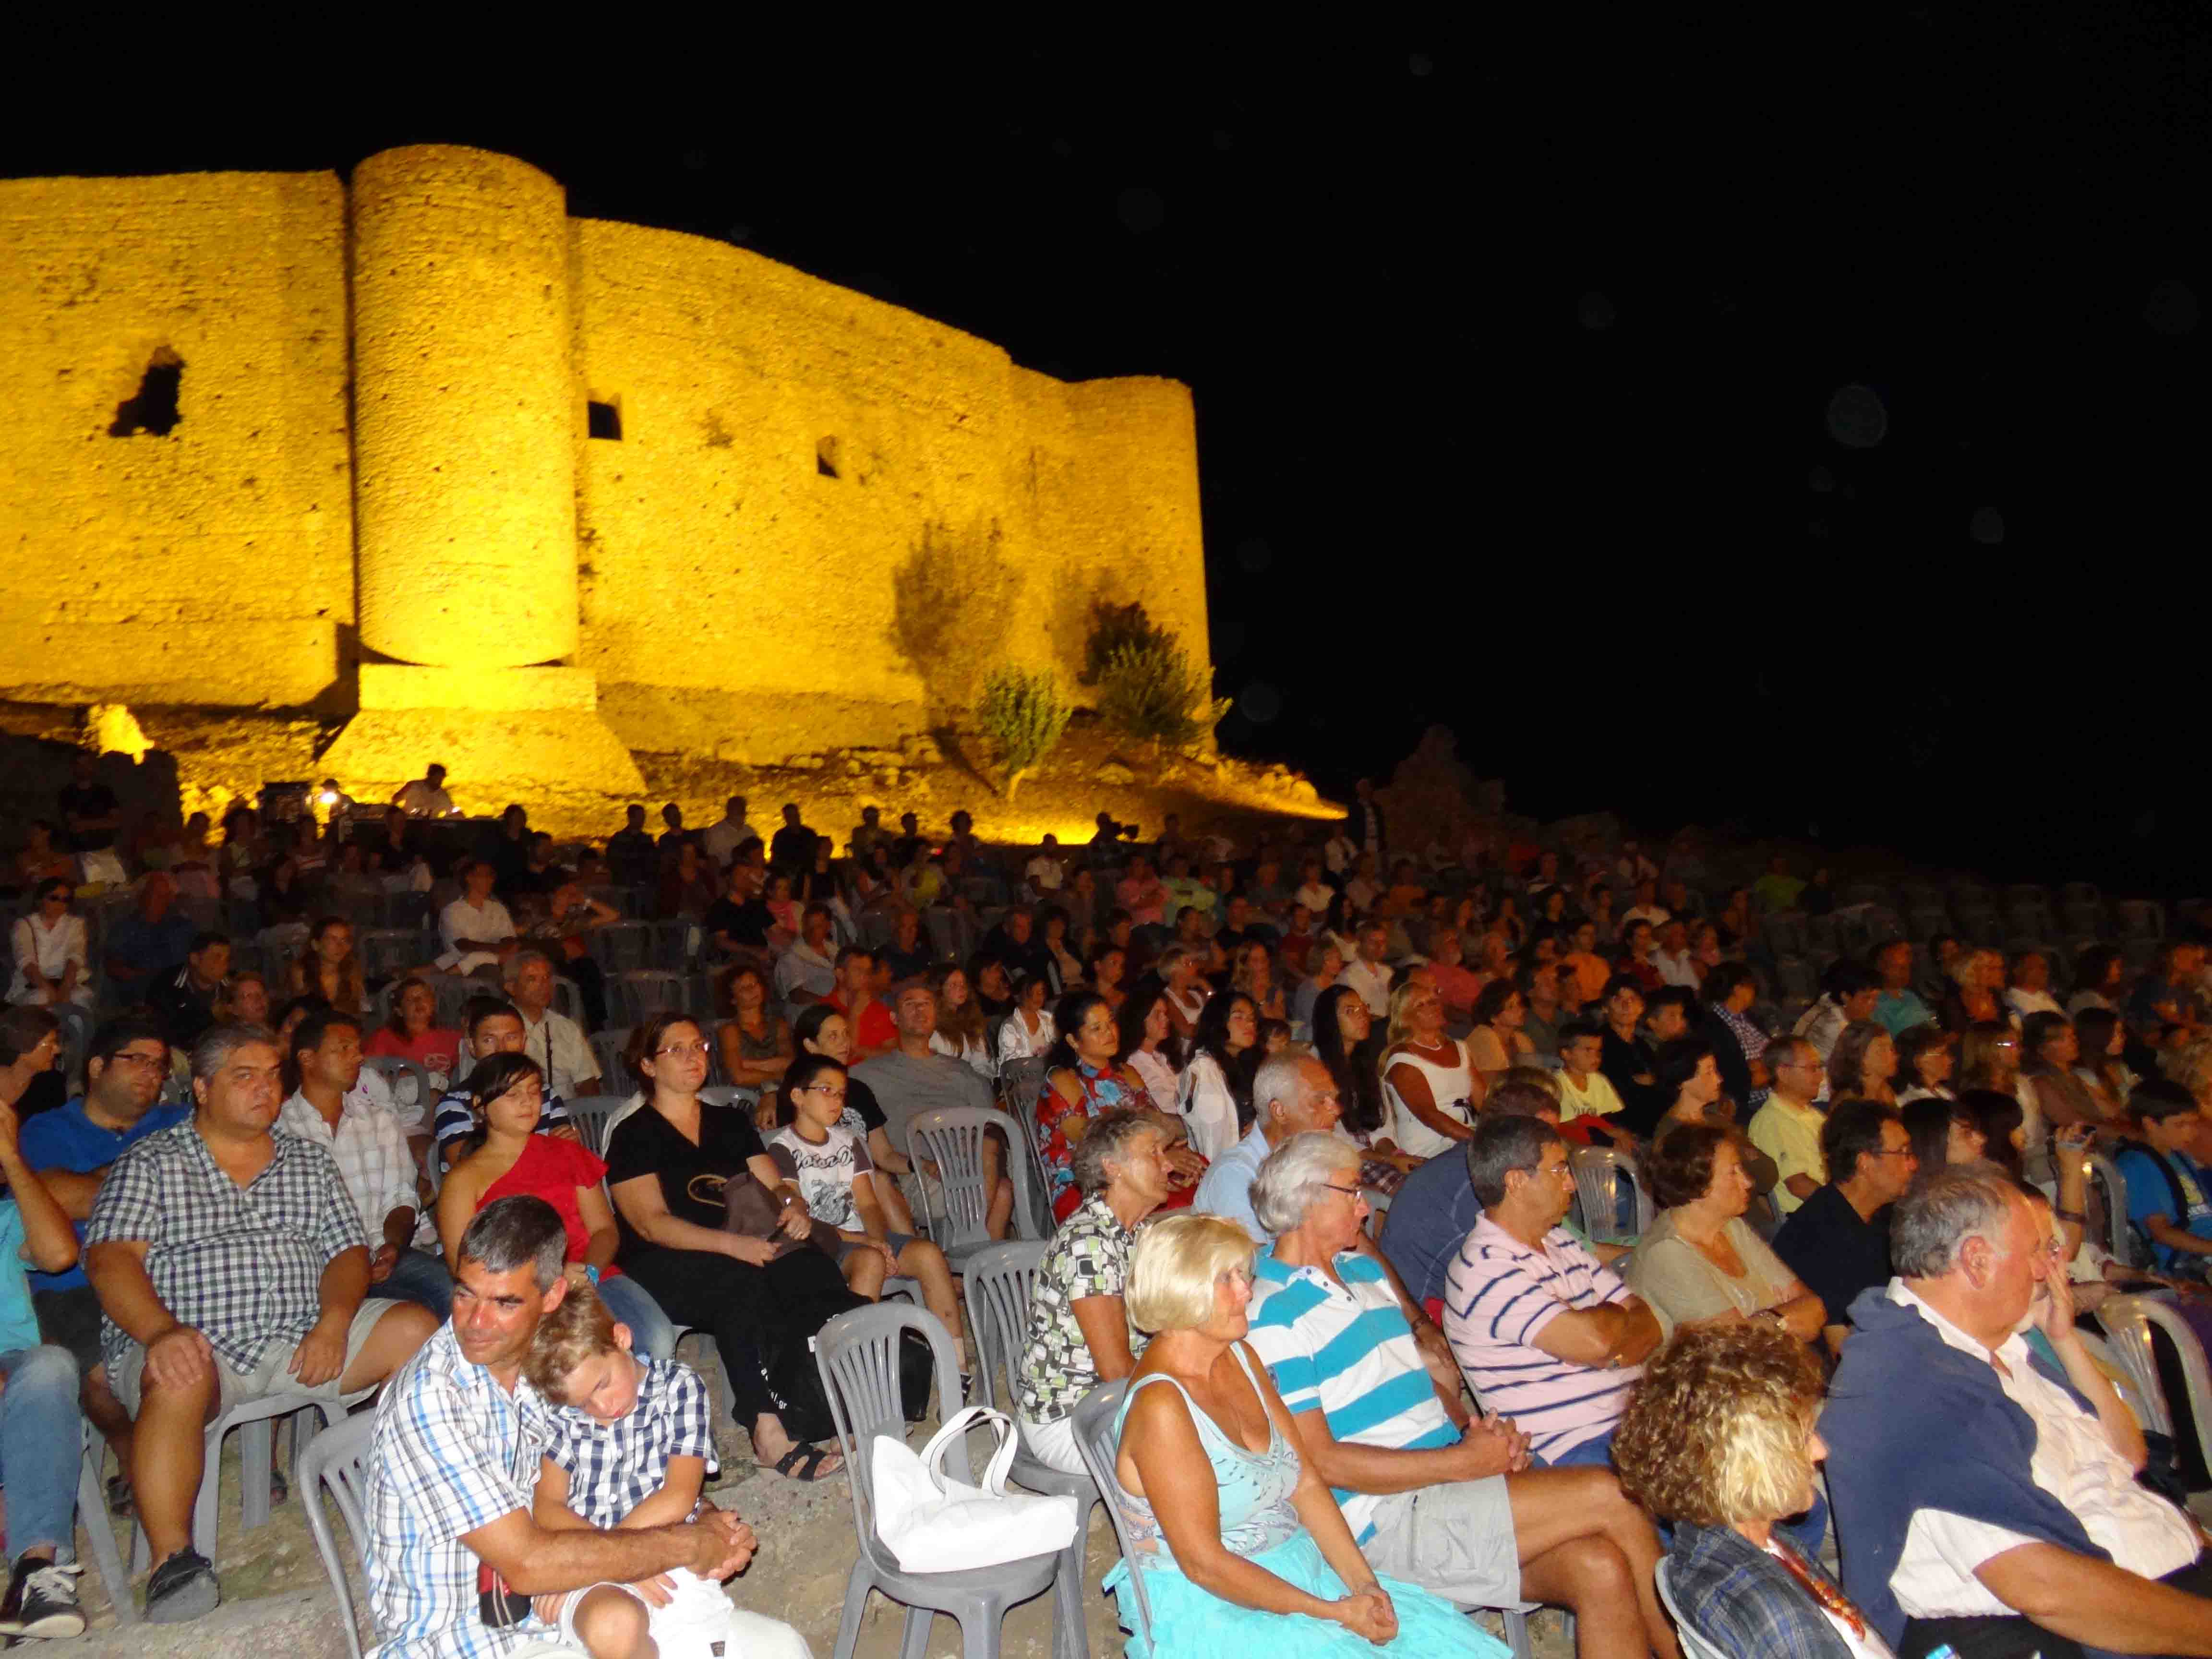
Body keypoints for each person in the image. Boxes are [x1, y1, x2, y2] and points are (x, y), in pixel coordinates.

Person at [1247, 1132, 1678, 1659]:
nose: (1365, 1208)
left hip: (1443, 1492)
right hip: (1384, 1521)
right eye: (1352, 1193)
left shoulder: (1364, 1274)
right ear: (1309, 1199)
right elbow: (1322, 1463)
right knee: (1616, 1494)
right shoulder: (1272, 1313)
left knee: (1600, 1567)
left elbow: (1419, 1390)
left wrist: (1479, 1436)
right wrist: (1461, 1465)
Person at [86, 1023, 439, 1623]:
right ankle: (174, 1564)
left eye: (273, 1076)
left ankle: (417, 1503)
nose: (265, 1089)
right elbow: (111, 1257)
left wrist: (333, 1322)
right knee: (177, 1373)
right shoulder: (152, 1161)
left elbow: (347, 1255)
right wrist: (160, 1332)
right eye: (244, 1076)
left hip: (299, 1335)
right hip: (198, 1342)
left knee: (418, 1329)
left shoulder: (307, 1162)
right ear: (201, 1088)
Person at [1822, 1164, 2212, 1658]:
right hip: (2107, 1628)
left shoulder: (1996, 1346)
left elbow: (2127, 1458)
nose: (2054, 1268)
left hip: (2164, 1580)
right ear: (1978, 1261)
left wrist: (2064, 1339)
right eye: (2038, 1251)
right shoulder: (1913, 1387)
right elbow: (2045, 1589)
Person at [366, 1197, 763, 1659]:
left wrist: (706, 1518)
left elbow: (636, 1471)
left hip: (553, 1607)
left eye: (505, 1302)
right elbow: (529, 1564)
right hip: (464, 1639)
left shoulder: (554, 1368)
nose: (476, 1323)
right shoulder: (432, 1400)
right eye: (464, 1293)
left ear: (552, 1297)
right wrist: (675, 1546)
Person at [1101, 1213, 1504, 1659]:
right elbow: (1205, 1564)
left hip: (1293, 1561)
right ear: (1179, 1291)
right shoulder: (1162, 1407)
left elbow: (1306, 1483)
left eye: (1244, 1275)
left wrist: (1364, 1584)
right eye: (1226, 1280)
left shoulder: (1240, 1356)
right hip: (1212, 1603)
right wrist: (1333, 1612)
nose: (1247, 1292)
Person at [605, 1014, 860, 1483]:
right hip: (666, 1259)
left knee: (810, 1268)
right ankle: (765, 1427)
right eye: (676, 1049)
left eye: (699, 1046)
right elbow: (651, 1223)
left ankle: (835, 1394)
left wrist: (794, 1205)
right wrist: (733, 1246)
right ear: (647, 1064)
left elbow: (775, 1184)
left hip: (745, 1238)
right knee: (740, 1283)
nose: (693, 1057)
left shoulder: (728, 1121)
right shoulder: (632, 1134)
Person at [519, 1282, 809, 1659]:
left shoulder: (678, 1389)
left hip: (661, 1559)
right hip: (592, 1576)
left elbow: (678, 1496)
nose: (601, 1407)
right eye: (583, 1402)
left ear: (621, 1338)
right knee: (612, 1623)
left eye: (603, 1385)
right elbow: (548, 1508)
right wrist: (609, 1564)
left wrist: (617, 1559)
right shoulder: (565, 1417)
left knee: (780, 1645)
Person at [1615, 1323, 1883, 1659]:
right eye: (1802, 1440)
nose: (1821, 1451)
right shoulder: (1780, 1618)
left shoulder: (1716, 1543)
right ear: (1744, 1467)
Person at [22, 1015, 183, 1508]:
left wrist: (88, 1186)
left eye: (159, 1066)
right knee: (99, 1375)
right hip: (72, 1283)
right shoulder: (46, 1128)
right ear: (96, 1067)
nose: (151, 1075)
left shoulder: (176, 1122)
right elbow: (48, 1199)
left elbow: (194, 1192)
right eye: (137, 1061)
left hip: (169, 1269)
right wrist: (143, 1181)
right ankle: (132, 1454)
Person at [1444, 1114, 1663, 1467]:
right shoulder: (1483, 1268)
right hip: (1575, 1447)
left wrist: (1613, 1353)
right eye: (1560, 1171)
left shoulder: (1560, 1241)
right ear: (1516, 1182)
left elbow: (1649, 1323)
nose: (1573, 1185)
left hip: (1634, 1421)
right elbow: (1595, 1341)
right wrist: (1613, 1318)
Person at [434, 1052, 674, 1362]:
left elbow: (604, 1230)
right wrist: (552, 1279)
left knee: (656, 1339)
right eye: (513, 1094)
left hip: (592, 1273)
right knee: (582, 1355)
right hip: (519, 1290)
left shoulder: (566, 1153)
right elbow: (462, 1264)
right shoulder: (464, 1179)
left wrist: (588, 1273)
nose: (527, 1102)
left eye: (534, 1092)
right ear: (481, 1106)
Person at [762, 1051, 967, 1375]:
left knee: (929, 1254)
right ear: (797, 1096)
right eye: (826, 1090)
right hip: (823, 1243)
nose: (836, 1100)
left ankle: (956, 1364)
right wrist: (865, 1243)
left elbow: (868, 1203)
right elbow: (801, 1217)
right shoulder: (783, 1149)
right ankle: (856, 1366)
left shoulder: (849, 1141)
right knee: (870, 1261)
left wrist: (878, 1239)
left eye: (841, 1093)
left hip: (861, 1237)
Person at [1010, 1109, 1170, 1473]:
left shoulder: (1137, 1233)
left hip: (1115, 1398)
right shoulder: (1089, 1245)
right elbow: (1115, 1368)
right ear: (1112, 1167)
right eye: (1154, 1153)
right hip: (1073, 1417)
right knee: (1196, 1441)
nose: (1168, 1166)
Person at [0, 1019, 90, 1638]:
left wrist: (10, 1157)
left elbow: (59, 1254)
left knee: (52, 1366)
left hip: (14, 1374)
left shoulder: (6, 1217)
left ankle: (36, 1574)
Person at [279, 1009, 454, 1320]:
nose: (357, 1056)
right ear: (307, 1058)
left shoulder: (378, 1119)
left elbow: (400, 1195)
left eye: (357, 1048)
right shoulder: (279, 1128)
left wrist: (392, 1246)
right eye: (343, 1048)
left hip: (379, 1253)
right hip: (312, 1268)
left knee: (452, 1291)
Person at [1626, 1123, 1825, 1342]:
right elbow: (1734, 1348)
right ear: (1698, 1186)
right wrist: (1783, 1318)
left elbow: (1815, 1308)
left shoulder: (1732, 1227)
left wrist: (1763, 1322)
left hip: (1764, 1368)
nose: (1748, 1182)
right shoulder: (1666, 1254)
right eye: (1733, 1172)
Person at [855, 980, 1016, 1233]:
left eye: (926, 1004)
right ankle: (971, 1251)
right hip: (919, 1175)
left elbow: (993, 1129)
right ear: (894, 1018)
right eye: (910, 1004)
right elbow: (820, 1083)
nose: (920, 1010)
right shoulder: (867, 1074)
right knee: (1002, 1193)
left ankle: (968, 1259)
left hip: (971, 1170)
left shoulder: (964, 1072)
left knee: (1001, 1176)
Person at [1038, 990, 1197, 1224]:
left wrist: (1176, 1143)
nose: (1109, 1032)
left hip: (1138, 1170)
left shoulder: (1126, 1074)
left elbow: (1159, 1125)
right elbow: (1092, 1149)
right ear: (1073, 1040)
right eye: (1096, 1028)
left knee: (1202, 1170)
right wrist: (1158, 1158)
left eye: (1110, 1022)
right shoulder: (1063, 1081)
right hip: (1088, 1186)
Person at [1772, 1100, 1917, 1357]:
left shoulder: (1884, 1213)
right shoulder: (1819, 1236)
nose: (1912, 1164)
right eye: (1902, 1153)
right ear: (1865, 1162)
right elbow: (1844, 1350)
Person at [1193, 1054, 1344, 1242]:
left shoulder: (1319, 1160)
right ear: (1279, 1111)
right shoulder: (1235, 1174)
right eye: (1321, 1100)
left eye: (1334, 1099)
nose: (1336, 1110)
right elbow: (1255, 1265)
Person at [1378, 979, 1479, 1158]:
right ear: (1405, 1018)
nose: (1432, 1007)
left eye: (1433, 1001)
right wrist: (1479, 1140)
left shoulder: (1460, 1048)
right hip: (1431, 1147)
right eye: (1421, 1005)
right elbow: (1430, 1115)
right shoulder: (1403, 1059)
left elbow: (1483, 1101)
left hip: (1467, 1138)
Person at [1749, 1035, 1829, 1214]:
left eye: (1819, 1068)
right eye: (1812, 1068)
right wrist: (1845, 1207)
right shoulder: (1772, 1121)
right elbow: (1799, 1185)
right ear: (1783, 1073)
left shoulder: (1813, 1115)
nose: (1820, 1076)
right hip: (1810, 1219)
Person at [1178, 991, 1258, 1163]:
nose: (1249, 1024)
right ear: (1219, 1022)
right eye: (1239, 1017)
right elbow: (1214, 1141)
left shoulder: (1247, 1063)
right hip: (1228, 1168)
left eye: (1252, 1018)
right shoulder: (1204, 1070)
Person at [9, 878, 90, 1009]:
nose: (60, 904)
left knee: (80, 998)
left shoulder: (75, 924)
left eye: (66, 900)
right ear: (40, 900)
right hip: (32, 985)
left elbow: (76, 955)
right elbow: (25, 961)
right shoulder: (24, 925)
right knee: (40, 998)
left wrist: (66, 987)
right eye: (54, 898)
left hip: (67, 982)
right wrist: (48, 990)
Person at [366, 976, 464, 1081]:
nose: (418, 1001)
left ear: (433, 1004)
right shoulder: (384, 1037)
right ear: (399, 1011)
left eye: (424, 997)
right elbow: (368, 1074)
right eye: (410, 1000)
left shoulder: (453, 1039)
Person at [439, 859, 517, 975]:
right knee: (487, 967)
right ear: (469, 878)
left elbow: (509, 938)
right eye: (486, 876)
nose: (491, 880)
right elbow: (463, 945)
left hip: (499, 961)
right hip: (464, 965)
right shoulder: (452, 911)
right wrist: (497, 950)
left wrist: (503, 950)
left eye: (492, 876)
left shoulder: (498, 908)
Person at [1795, 961, 1880, 1063]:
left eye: (1876, 998)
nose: (1874, 1004)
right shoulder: (1835, 1025)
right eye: (1866, 999)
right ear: (1845, 997)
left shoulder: (1828, 1001)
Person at [926, 962, 994, 1078]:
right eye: (953, 985)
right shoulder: (931, 1026)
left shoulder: (971, 1018)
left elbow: (980, 1062)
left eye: (963, 984)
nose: (961, 989)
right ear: (939, 989)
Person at [1827, 1020, 1899, 1107]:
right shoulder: (1848, 1105)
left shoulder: (1887, 1094)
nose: (1893, 1055)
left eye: (1891, 1048)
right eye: (1882, 1049)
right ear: (1858, 1056)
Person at [1872, 940, 1936, 1037]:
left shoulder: (1910, 996)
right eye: (1897, 967)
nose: (1905, 972)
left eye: (1907, 966)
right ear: (1880, 967)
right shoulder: (1875, 1005)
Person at [998, 970, 1059, 1063]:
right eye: (1031, 993)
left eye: (1041, 993)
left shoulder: (1049, 1019)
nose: (1037, 997)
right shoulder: (1009, 1027)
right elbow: (1010, 1063)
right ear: (1019, 996)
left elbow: (1059, 1045)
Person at [1338, 923, 1394, 1019]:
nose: (1379, 946)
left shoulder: (1388, 972)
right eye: (1373, 942)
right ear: (1359, 944)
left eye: (1383, 942)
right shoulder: (1348, 977)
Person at [1894, 1022, 1956, 1105]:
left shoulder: (1943, 1093)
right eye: (1942, 1054)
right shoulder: (1913, 1103)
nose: (1951, 1060)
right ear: (1918, 1062)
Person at [699, 794, 757, 872]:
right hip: (726, 873)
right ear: (729, 810)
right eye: (738, 809)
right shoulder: (715, 832)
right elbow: (712, 859)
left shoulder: (750, 832)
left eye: (742, 809)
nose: (741, 812)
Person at [392, 762, 456, 817]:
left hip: (430, 827)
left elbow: (450, 813)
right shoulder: (414, 786)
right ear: (430, 775)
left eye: (441, 778)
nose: (439, 781)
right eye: (437, 777)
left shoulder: (443, 795)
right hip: (408, 822)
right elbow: (395, 799)